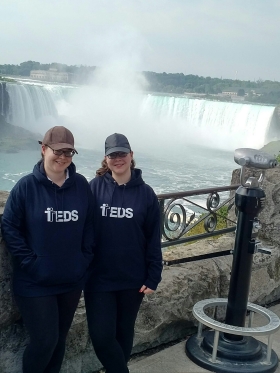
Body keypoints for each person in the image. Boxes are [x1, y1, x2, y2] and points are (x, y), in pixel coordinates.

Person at [1, 126, 94, 373]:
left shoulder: (81, 186)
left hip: (71, 280)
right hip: (35, 283)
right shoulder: (26, 187)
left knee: (60, 340)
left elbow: (91, 226)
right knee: (45, 341)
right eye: (57, 150)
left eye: (68, 152)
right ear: (43, 149)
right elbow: (9, 227)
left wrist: (83, 260)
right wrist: (32, 264)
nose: (62, 157)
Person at [84, 133, 163, 373]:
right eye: (113, 155)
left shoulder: (146, 194)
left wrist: (154, 274)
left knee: (124, 331)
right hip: (98, 278)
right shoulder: (93, 188)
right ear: (106, 159)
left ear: (131, 155)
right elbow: (81, 230)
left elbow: (153, 238)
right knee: (101, 337)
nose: (118, 159)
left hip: (133, 278)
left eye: (122, 154)